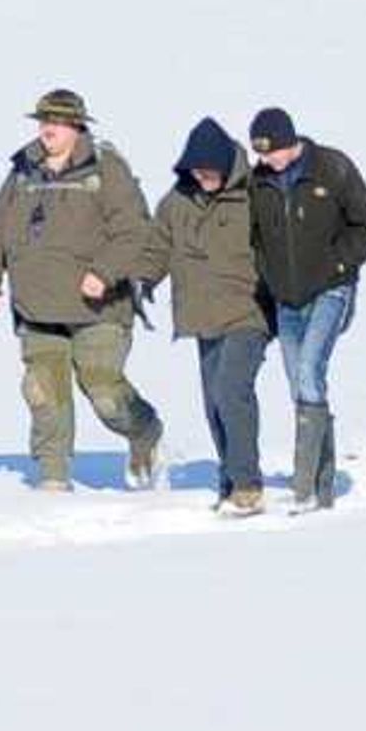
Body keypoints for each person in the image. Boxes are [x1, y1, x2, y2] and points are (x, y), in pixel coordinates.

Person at [0, 88, 168, 492]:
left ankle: (145, 433)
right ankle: (53, 477)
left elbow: (135, 231)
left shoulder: (105, 168)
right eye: (44, 121)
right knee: (43, 392)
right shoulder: (23, 171)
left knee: (105, 394)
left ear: (77, 126)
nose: (49, 129)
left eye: (58, 122)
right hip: (37, 308)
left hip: (99, 308)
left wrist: (105, 272)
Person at [243, 107, 366, 507]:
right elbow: (253, 238)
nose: (265, 160)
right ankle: (323, 484)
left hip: (331, 289)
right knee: (300, 384)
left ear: (289, 143)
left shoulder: (332, 168)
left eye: (270, 152)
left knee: (308, 370)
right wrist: (266, 278)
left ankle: (303, 485)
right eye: (259, 153)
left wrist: (338, 263)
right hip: (287, 298)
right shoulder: (259, 182)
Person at [158, 119, 271, 516]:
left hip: (248, 313)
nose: (202, 177)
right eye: (195, 170)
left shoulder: (255, 194)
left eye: (209, 171)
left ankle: (247, 485)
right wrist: (139, 278)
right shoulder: (176, 201)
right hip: (203, 316)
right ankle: (230, 477)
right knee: (213, 404)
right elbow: (157, 246)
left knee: (230, 391)